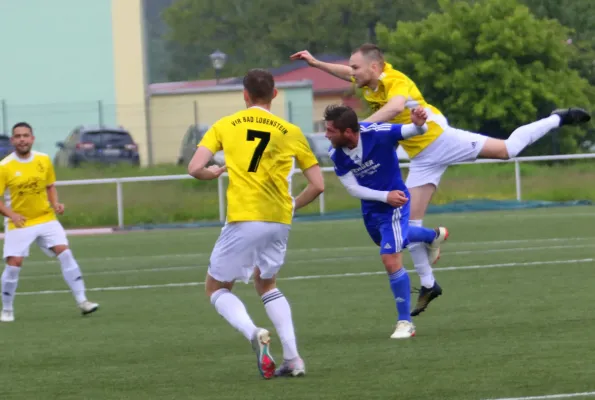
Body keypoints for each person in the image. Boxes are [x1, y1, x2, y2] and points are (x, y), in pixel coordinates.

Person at [291, 44, 591, 316]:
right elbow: (347, 74)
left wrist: (358, 127)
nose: (352, 72)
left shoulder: (396, 81)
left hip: (438, 139)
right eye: (351, 68)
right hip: (422, 157)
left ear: (375, 67)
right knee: (411, 224)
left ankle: (557, 118)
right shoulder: (370, 81)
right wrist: (316, 63)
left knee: (506, 150)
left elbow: (396, 107)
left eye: (356, 67)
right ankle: (428, 284)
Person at [187, 68, 324, 379]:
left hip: (244, 217)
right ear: (274, 94)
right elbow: (317, 185)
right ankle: (293, 359)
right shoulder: (290, 130)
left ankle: (253, 333)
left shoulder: (224, 125)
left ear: (245, 95)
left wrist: (209, 173)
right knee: (267, 282)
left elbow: (195, 167)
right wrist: (291, 207)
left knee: (216, 288)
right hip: (279, 219)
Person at [325, 104, 432, 339]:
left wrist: (418, 122)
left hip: (396, 205)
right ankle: (432, 236)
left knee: (390, 258)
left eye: (331, 130)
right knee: (391, 241)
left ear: (348, 132)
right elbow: (353, 188)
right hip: (372, 209)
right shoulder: (336, 153)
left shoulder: (379, 133)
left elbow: (415, 132)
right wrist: (384, 196)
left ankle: (405, 322)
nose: (326, 135)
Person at [0, 122, 99, 322]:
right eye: (18, 136)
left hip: (45, 218)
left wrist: (56, 204)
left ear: (32, 138)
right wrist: (12, 215)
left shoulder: (43, 160)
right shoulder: (4, 167)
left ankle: (83, 301)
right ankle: (7, 309)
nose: (22, 139)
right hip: (20, 223)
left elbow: (50, 186)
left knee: (65, 252)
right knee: (14, 265)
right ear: (13, 140)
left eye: (25, 135)